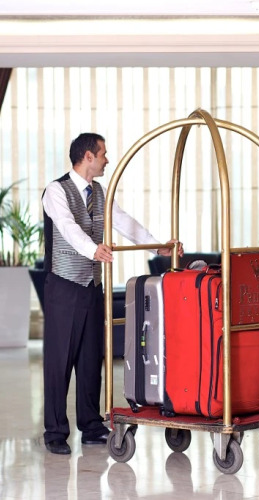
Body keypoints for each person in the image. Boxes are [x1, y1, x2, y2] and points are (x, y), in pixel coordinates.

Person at [41, 132, 182, 455]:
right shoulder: (56, 190)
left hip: (92, 286)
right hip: (63, 286)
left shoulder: (100, 192)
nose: (107, 159)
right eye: (103, 153)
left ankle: (91, 426)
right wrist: (93, 249)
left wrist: (157, 245)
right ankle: (55, 433)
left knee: (91, 358)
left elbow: (124, 222)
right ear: (88, 156)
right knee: (59, 362)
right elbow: (67, 226)